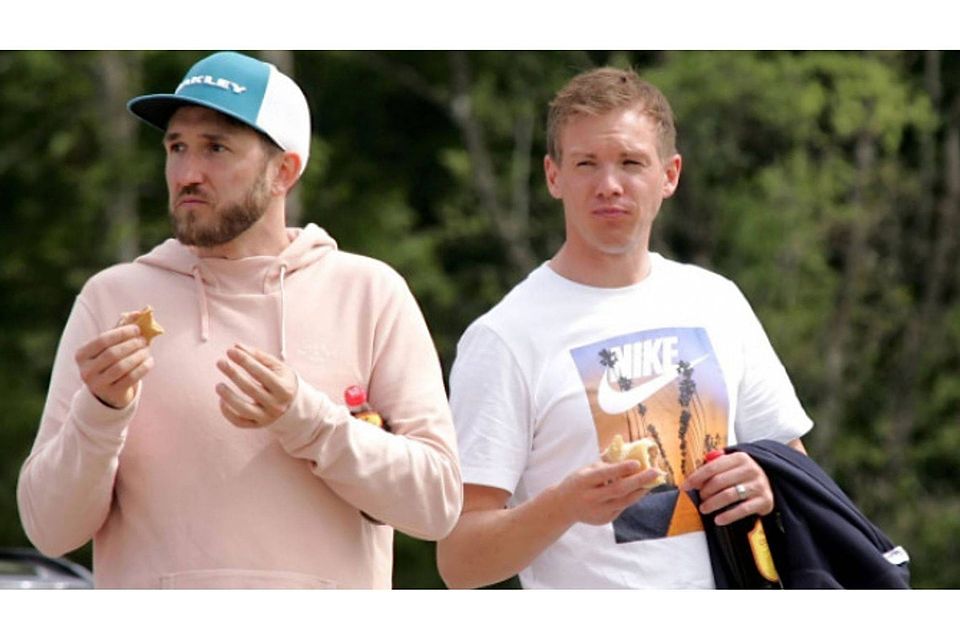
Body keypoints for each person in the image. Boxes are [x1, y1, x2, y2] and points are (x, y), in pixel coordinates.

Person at [17, 51, 462, 589]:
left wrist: (310, 422)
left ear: (285, 171)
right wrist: (102, 410)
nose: (187, 173)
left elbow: (436, 506)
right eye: (176, 146)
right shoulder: (111, 300)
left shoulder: (369, 293)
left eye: (216, 148)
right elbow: (49, 530)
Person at [436, 67, 811, 589]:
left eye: (631, 162)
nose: (608, 185)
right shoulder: (503, 338)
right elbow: (459, 561)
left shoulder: (716, 300)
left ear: (670, 175)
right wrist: (565, 505)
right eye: (586, 163)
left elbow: (797, 474)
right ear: (553, 176)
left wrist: (768, 482)